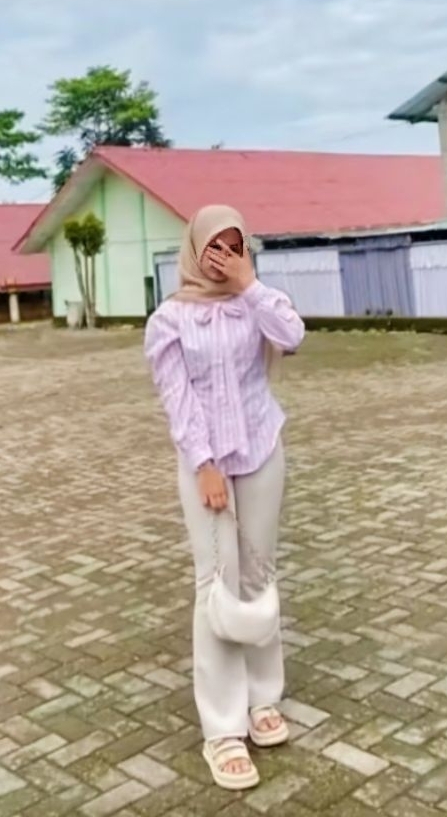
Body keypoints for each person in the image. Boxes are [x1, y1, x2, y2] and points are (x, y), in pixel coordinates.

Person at [144, 204, 306, 790]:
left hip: (262, 448)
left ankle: (264, 699)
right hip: (205, 464)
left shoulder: (257, 301)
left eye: (234, 247)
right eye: (214, 247)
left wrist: (249, 284)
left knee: (259, 574)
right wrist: (204, 464)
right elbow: (177, 398)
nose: (223, 258)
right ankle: (222, 728)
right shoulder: (169, 319)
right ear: (194, 250)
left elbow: (293, 337)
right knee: (216, 584)